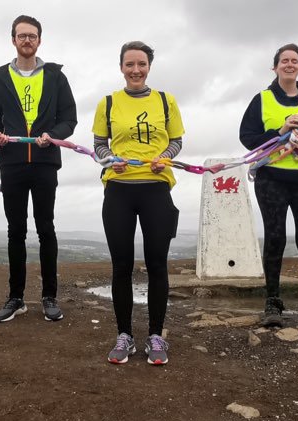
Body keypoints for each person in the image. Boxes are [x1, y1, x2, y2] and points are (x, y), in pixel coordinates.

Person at [0, 14, 78, 323]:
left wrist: (54, 135)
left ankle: (49, 296)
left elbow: (69, 117)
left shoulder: (55, 77)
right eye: (21, 36)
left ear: (39, 40)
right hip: (12, 162)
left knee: (46, 228)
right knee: (15, 231)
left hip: (45, 162)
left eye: (32, 36)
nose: (27, 40)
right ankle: (16, 298)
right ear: (13, 40)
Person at [95, 41, 184, 366]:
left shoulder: (165, 101)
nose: (135, 70)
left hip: (156, 189)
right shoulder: (107, 103)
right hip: (118, 189)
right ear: (121, 67)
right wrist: (109, 160)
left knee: (157, 264)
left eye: (141, 64)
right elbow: (98, 144)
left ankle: (156, 336)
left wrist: (164, 157)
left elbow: (176, 141)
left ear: (149, 67)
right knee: (121, 266)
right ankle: (124, 336)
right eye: (130, 64)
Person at [238, 43, 298, 328]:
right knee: (275, 238)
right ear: (275, 67)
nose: (290, 64)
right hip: (272, 180)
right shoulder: (263, 99)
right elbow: (248, 137)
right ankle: (272, 303)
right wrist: (282, 131)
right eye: (284, 61)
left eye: (295, 60)